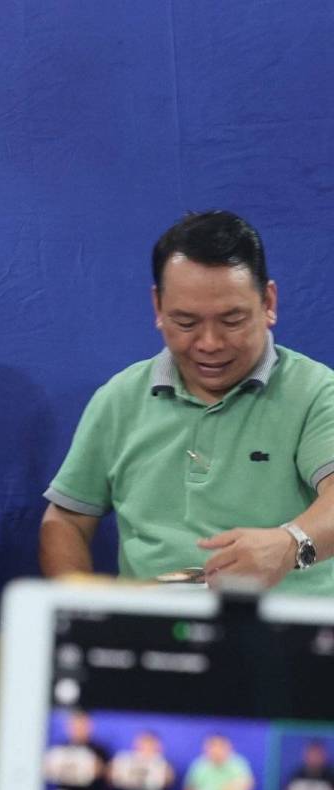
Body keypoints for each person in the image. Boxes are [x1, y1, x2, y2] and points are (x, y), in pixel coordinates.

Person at [40, 211, 334, 591]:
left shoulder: (315, 391)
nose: (209, 343)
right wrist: (81, 603)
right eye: (186, 323)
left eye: (231, 320)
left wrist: (291, 543)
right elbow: (65, 521)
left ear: (269, 303)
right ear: (158, 308)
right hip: (152, 637)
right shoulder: (119, 398)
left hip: (287, 636)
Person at [43, 710, 113, 790]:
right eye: (76, 725)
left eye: (82, 725)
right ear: (69, 727)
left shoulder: (100, 752)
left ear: (89, 727)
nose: (79, 729)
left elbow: (109, 779)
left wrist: (102, 770)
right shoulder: (60, 751)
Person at [183, 735, 253, 790]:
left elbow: (249, 784)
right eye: (212, 746)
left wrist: (238, 786)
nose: (216, 750)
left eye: (220, 746)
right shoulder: (198, 765)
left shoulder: (238, 762)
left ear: (228, 747)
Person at [109, 731, 174, 790]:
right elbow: (111, 780)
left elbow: (167, 783)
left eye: (150, 745)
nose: (146, 748)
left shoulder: (162, 764)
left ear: (158, 746)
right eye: (144, 744)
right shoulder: (124, 760)